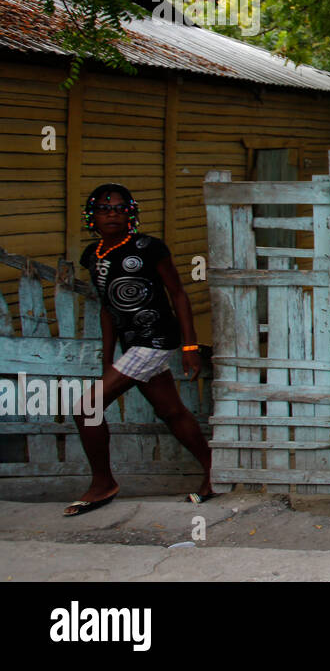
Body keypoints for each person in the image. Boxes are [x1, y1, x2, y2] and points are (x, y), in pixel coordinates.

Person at [64, 183, 214, 515]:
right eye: (104, 209)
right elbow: (107, 308)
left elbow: (178, 295)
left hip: (157, 340)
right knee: (171, 412)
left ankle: (103, 483)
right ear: (92, 217)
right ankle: (216, 471)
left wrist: (189, 346)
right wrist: (108, 358)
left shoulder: (149, 248)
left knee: (86, 407)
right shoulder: (93, 255)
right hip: (133, 347)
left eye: (119, 208)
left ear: (131, 214)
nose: (112, 214)